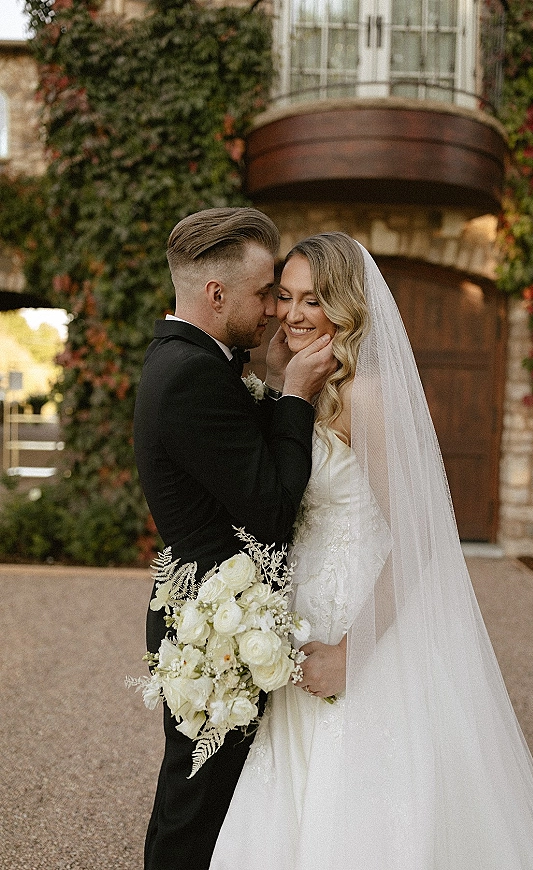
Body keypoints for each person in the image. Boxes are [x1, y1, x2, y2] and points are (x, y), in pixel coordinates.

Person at [209, 232, 533, 870]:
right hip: (304, 607)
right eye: (287, 297)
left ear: (347, 307)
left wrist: (353, 652)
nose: (295, 313)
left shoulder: (367, 396)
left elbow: (415, 540)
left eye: (314, 300)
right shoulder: (303, 384)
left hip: (360, 615)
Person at [132, 207, 336, 870]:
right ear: (216, 296)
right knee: (197, 813)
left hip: (206, 608)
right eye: (263, 293)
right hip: (214, 629)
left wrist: (274, 383)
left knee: (197, 802)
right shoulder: (193, 376)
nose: (276, 311)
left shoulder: (189, 357)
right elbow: (272, 507)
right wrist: (296, 394)